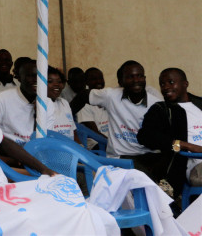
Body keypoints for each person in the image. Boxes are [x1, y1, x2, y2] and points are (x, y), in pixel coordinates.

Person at [79, 60, 163, 179]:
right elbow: (83, 95)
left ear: (144, 78)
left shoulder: (156, 103)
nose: (136, 80)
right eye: (130, 77)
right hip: (121, 156)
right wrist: (68, 113)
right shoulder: (111, 96)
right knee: (145, 177)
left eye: (139, 76)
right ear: (121, 81)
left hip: (149, 154)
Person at [137, 67, 202, 198]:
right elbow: (145, 136)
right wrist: (185, 145)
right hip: (193, 166)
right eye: (162, 84)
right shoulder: (161, 110)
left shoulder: (199, 104)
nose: (166, 87)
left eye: (171, 82)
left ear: (185, 84)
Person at [0, 59, 55, 146]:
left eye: (39, 75)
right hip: (6, 151)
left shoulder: (47, 103)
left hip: (36, 151)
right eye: (30, 76)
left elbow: (44, 139)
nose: (36, 79)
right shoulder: (0, 99)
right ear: (18, 78)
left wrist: (39, 117)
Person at [76, 67, 110, 138]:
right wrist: (111, 142)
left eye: (101, 78)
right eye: (94, 79)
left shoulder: (108, 98)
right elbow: (94, 133)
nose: (98, 81)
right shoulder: (84, 104)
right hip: (98, 142)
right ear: (86, 82)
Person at [47, 66, 79, 142]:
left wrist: (81, 146)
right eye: (50, 81)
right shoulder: (39, 105)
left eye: (59, 81)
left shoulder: (64, 103)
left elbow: (73, 132)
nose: (56, 84)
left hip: (70, 147)